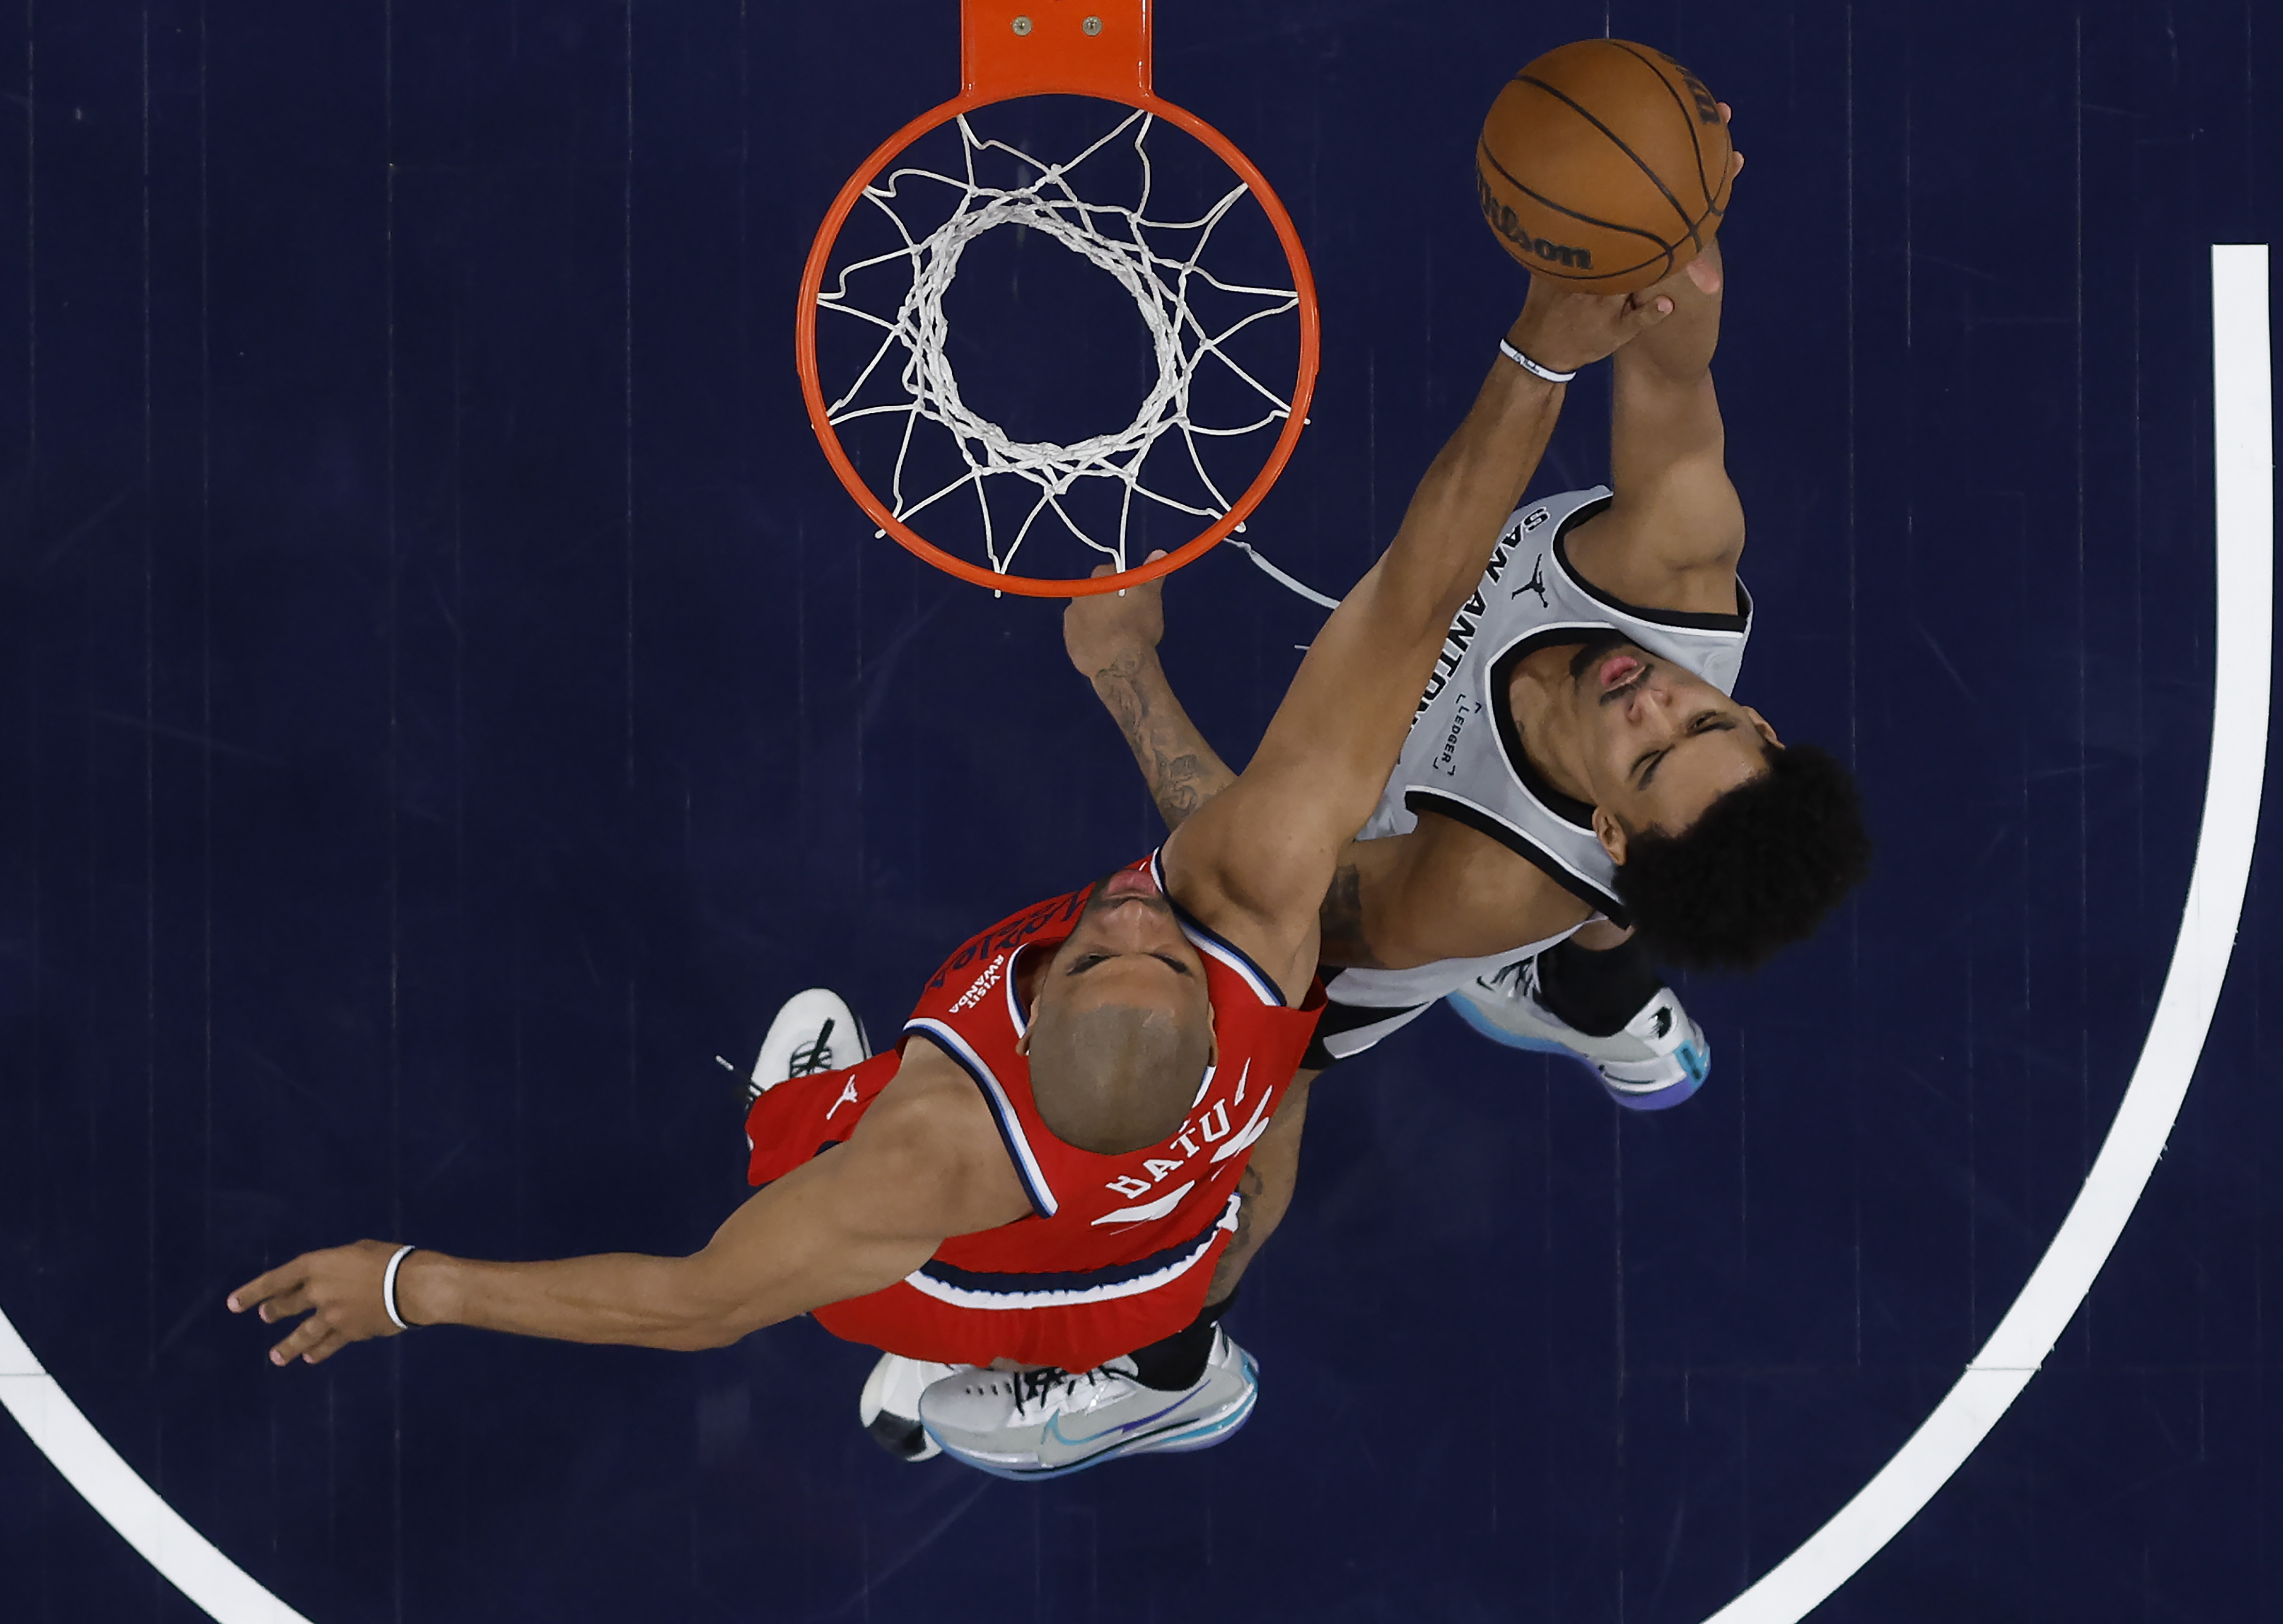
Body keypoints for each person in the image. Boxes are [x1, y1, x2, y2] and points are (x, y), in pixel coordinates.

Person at [226, 269, 1683, 1479]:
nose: (1129, 909)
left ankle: (1045, 1373)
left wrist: (412, 1286)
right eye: (1147, 935)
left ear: (1006, 1037)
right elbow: (1416, 591)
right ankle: (1173, 1370)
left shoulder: (927, 1151)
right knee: (1241, 1183)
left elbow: (695, 1303)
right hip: (1170, 1219)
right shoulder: (1262, 933)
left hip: (974, 1272)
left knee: (827, 1192)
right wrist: (1534, 353)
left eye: (1115, 942)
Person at [1059, 144, 1870, 1295]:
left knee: (1252, 1075)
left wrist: (1124, 672)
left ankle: (1165, 1363)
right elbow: (1676, 361)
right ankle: (1595, 997)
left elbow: (1248, 884)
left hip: (1354, 914)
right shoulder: (1675, 565)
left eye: (1648, 757)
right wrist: (1672, 211)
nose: (1655, 698)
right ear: (1763, 725)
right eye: (1705, 721)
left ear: (1611, 826)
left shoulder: (1483, 886)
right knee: (1671, 862)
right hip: (1548, 845)